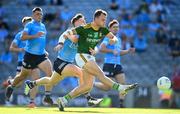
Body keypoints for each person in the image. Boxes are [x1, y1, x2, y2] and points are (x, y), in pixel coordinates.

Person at [57, 9, 138, 111]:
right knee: (100, 73)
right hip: (82, 56)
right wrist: (61, 42)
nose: (104, 22)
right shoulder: (85, 28)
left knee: (87, 86)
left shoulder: (103, 29)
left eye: (105, 20)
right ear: (95, 18)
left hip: (90, 57)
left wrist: (113, 40)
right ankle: (121, 88)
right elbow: (69, 32)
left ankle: (63, 100)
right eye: (103, 20)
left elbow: (114, 38)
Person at [25, 13, 103, 107]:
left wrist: (94, 49)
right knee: (81, 73)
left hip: (67, 64)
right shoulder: (71, 31)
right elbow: (66, 37)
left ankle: (32, 84)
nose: (84, 22)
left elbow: (93, 46)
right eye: (82, 21)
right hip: (61, 63)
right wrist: (61, 44)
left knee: (51, 82)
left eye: (85, 21)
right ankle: (88, 98)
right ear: (75, 22)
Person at [5, 7, 53, 105]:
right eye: (37, 14)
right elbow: (23, 37)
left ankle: (46, 96)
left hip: (41, 56)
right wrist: (35, 35)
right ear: (33, 15)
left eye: (40, 14)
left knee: (49, 73)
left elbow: (40, 42)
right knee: (22, 76)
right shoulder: (30, 25)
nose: (39, 16)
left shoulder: (43, 26)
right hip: (29, 56)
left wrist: (44, 51)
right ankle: (11, 86)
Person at [94, 20, 135, 107]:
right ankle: (92, 83)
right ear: (110, 29)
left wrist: (128, 51)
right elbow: (101, 49)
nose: (116, 28)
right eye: (114, 27)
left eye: (117, 27)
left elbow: (118, 52)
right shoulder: (108, 38)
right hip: (109, 64)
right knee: (107, 87)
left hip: (118, 65)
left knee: (123, 84)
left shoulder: (118, 39)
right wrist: (112, 51)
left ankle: (121, 104)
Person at [8, 16, 40, 108]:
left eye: (30, 22)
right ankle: (10, 81)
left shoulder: (35, 35)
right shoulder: (19, 35)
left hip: (34, 60)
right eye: (27, 23)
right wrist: (21, 49)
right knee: (18, 85)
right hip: (22, 61)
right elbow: (11, 48)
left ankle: (32, 102)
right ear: (24, 24)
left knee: (36, 80)